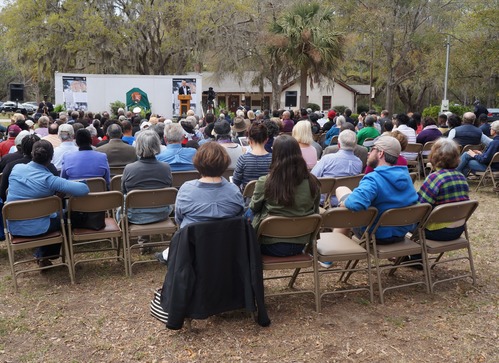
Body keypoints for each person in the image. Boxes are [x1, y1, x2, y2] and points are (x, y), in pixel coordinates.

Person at [6, 140, 89, 266]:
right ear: (51, 157)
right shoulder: (49, 179)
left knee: (58, 216)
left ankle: (43, 255)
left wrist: (52, 197)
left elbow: (31, 194)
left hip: (14, 226)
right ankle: (44, 255)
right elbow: (83, 190)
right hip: (40, 227)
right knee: (71, 217)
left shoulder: (16, 169)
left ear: (32, 153)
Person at [336, 135, 418, 244]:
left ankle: (333, 247)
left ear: (381, 153)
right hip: (400, 233)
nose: (368, 153)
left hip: (375, 234)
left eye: (372, 149)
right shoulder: (407, 177)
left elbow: (355, 204)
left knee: (342, 191)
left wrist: (343, 202)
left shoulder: (373, 179)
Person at [249, 134, 320, 257]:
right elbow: (315, 210)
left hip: (269, 243)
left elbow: (254, 207)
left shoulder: (266, 181)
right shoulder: (312, 181)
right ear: (298, 153)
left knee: (247, 213)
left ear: (275, 154)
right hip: (301, 241)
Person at [122, 130, 173, 254]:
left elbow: (124, 191)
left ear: (138, 146)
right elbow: (168, 188)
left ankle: (144, 242)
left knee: (133, 202)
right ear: (157, 145)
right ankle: (145, 242)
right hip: (162, 212)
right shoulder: (166, 168)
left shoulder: (129, 169)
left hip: (136, 215)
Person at [418, 138, 470, 240]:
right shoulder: (461, 177)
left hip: (437, 231)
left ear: (434, 156)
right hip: (459, 229)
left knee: (405, 224)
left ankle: (416, 256)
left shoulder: (434, 178)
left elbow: (420, 208)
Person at [311, 130, 362, 207]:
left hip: (323, 202)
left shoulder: (327, 159)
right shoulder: (359, 163)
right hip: (345, 200)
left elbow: (312, 178)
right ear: (355, 146)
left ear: (338, 145)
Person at [232, 123, 272, 191]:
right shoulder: (274, 159)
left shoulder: (243, 159)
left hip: (248, 199)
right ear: (266, 140)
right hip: (269, 197)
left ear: (249, 140)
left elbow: (236, 181)